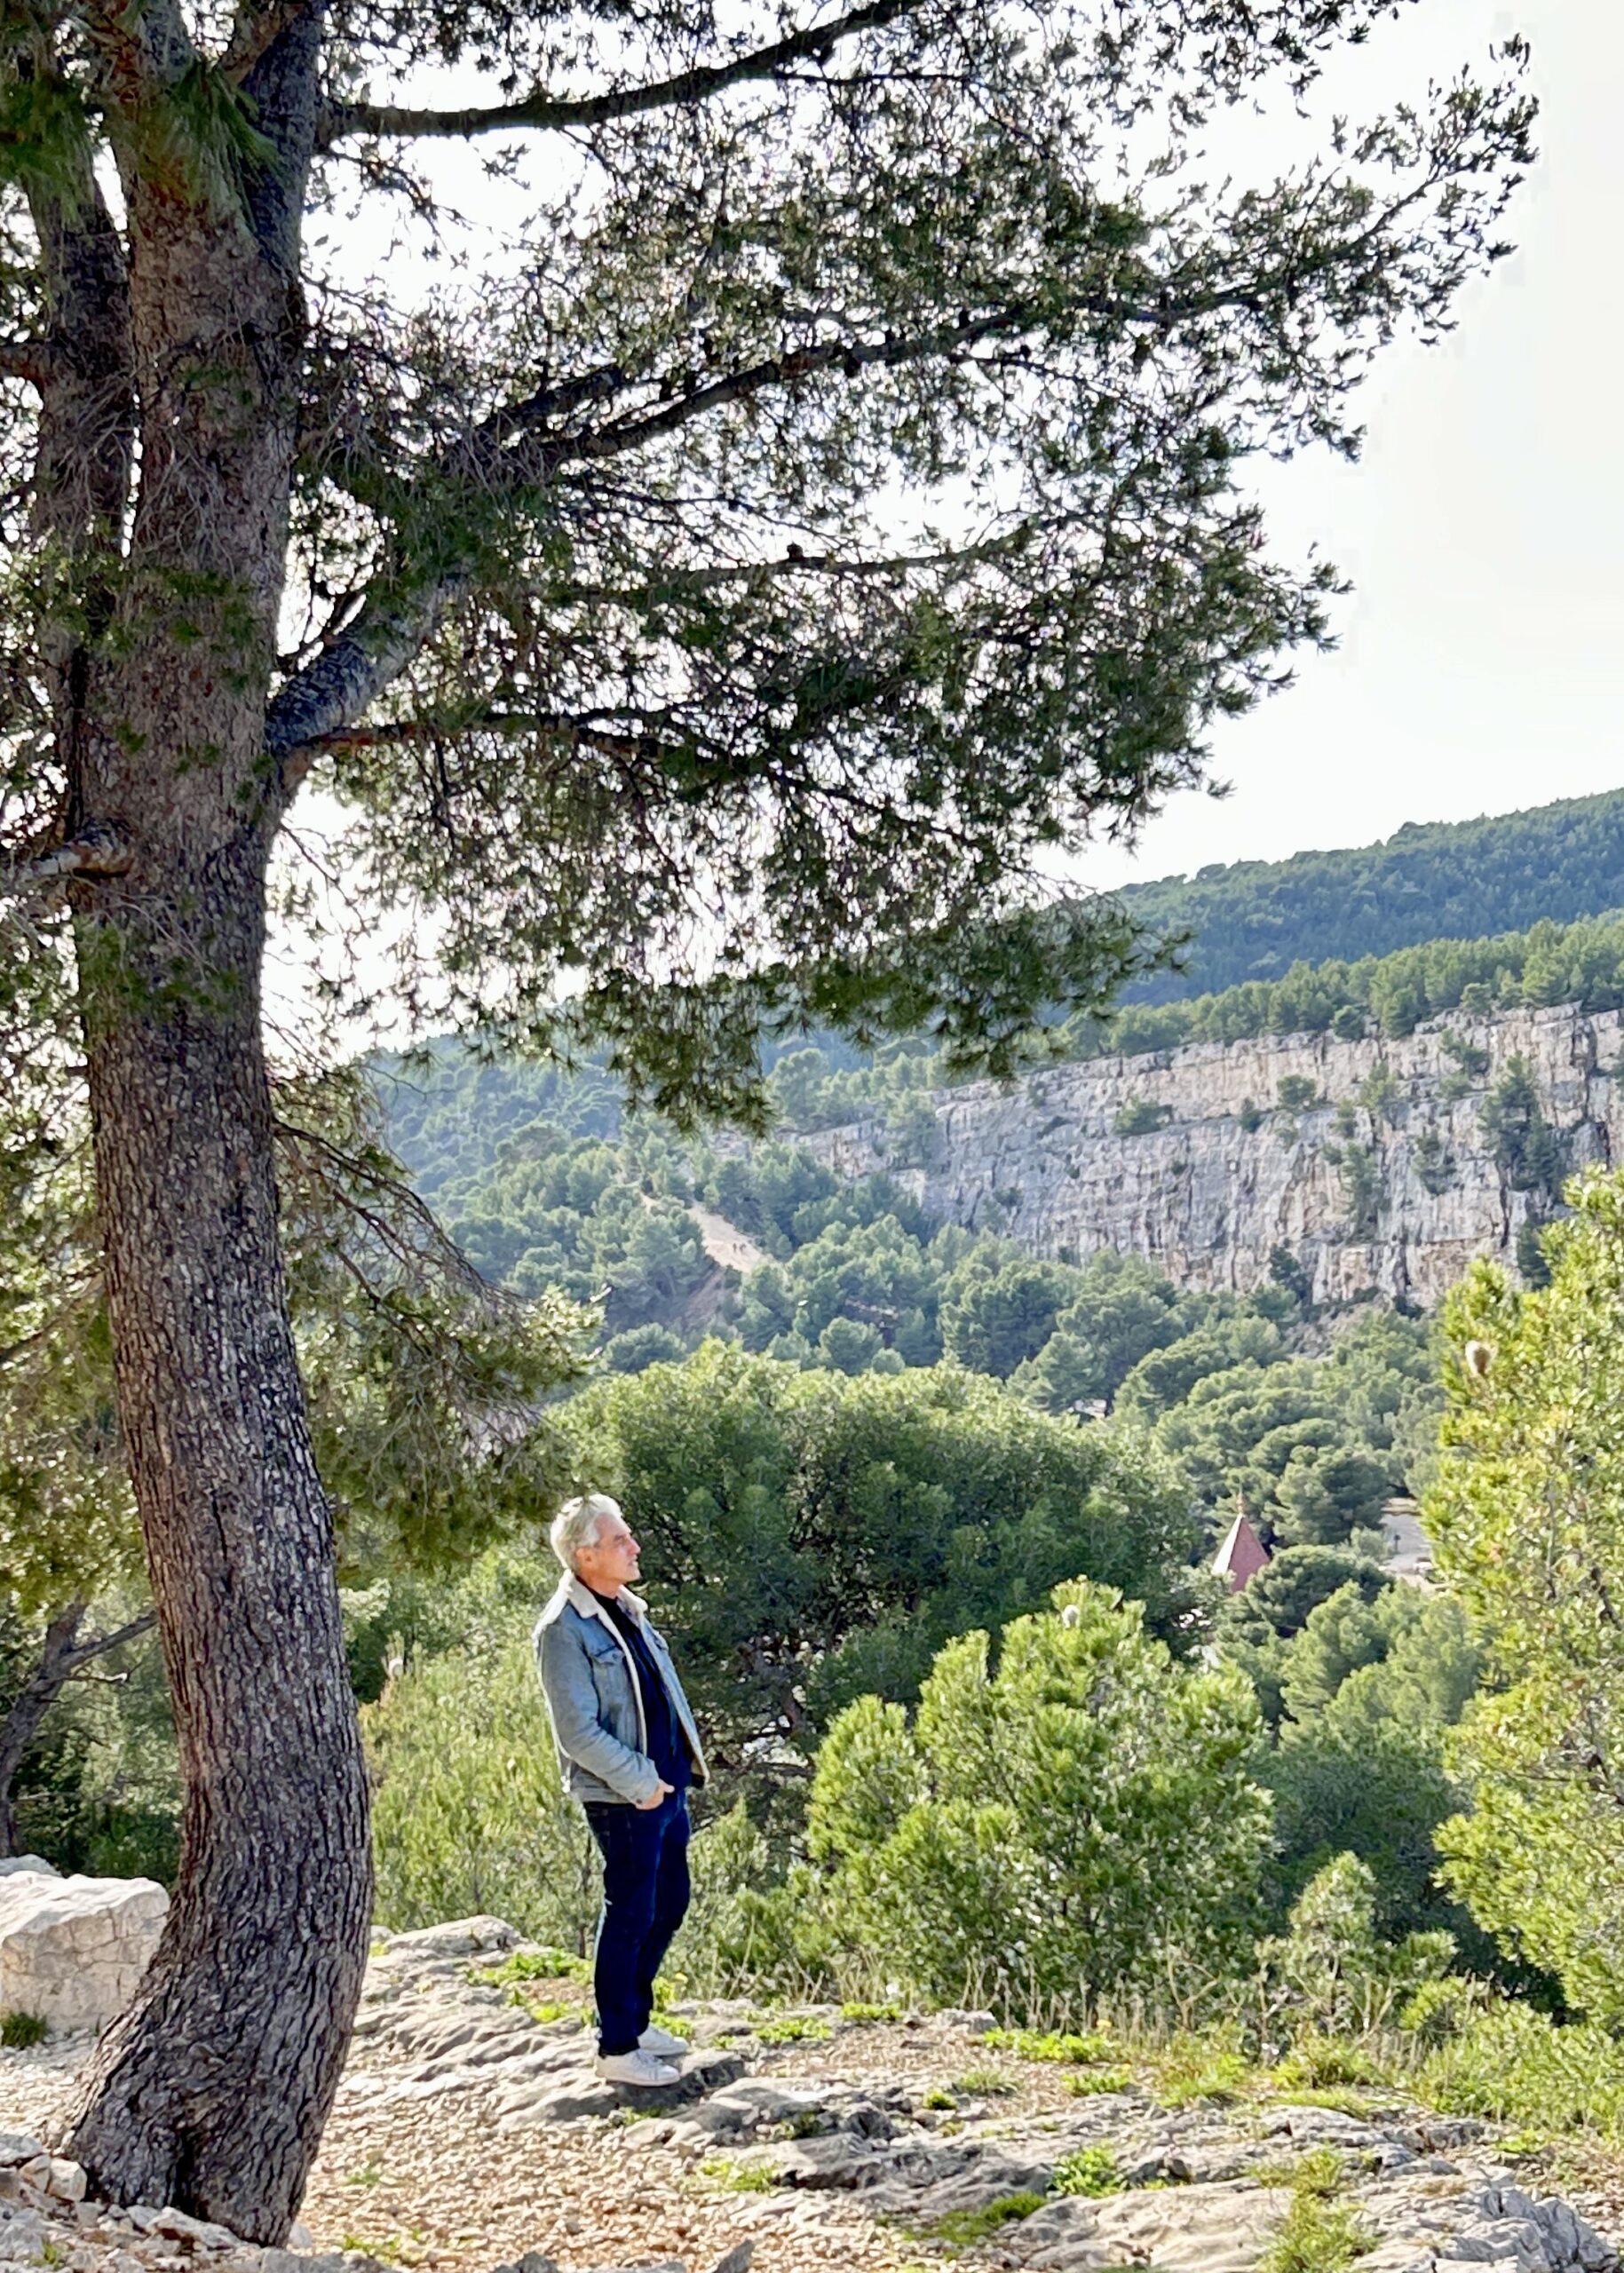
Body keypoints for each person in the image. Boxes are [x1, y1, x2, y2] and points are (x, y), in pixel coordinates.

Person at [534, 1492, 709, 2085]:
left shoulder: (626, 1607)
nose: (633, 1547)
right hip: (625, 1795)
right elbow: (577, 1731)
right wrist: (641, 1783)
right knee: (631, 1910)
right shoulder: (562, 1630)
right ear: (585, 1557)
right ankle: (616, 2049)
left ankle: (633, 2021)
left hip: (665, 1787)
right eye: (619, 1541)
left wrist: (676, 1773)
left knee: (670, 1902)